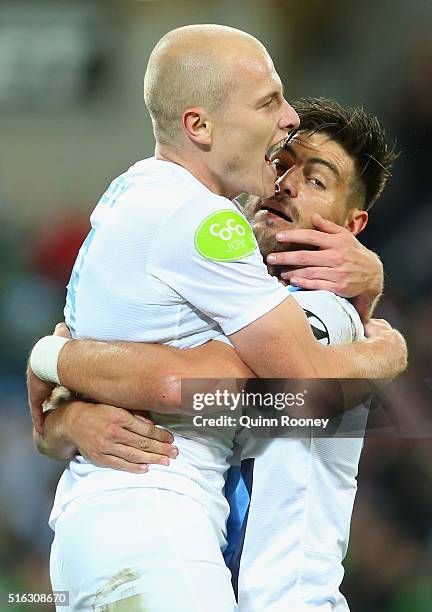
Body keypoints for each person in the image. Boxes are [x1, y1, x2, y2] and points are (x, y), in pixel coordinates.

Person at [28, 23, 405, 612]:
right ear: (199, 126)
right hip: (156, 535)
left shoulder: (318, 307)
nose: (283, 182)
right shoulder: (210, 244)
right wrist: (64, 407)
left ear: (352, 225)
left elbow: (263, 388)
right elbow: (205, 383)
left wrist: (59, 371)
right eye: (283, 161)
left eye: (315, 180)